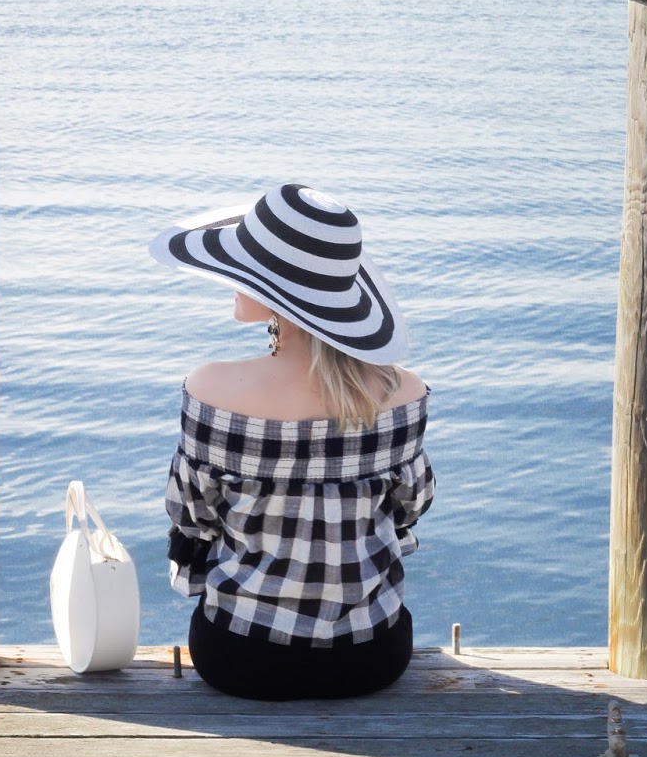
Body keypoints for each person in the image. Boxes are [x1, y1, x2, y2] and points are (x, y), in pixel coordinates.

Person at [149, 182, 434, 702]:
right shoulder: (406, 393)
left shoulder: (210, 389)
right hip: (371, 654)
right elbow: (410, 508)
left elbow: (191, 516)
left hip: (239, 655)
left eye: (244, 271)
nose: (230, 281)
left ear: (278, 298)